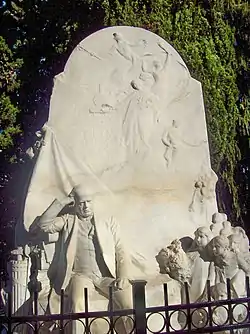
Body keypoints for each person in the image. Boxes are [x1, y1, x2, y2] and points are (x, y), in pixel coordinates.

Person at [29, 184, 133, 333]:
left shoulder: (108, 221)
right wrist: (63, 201)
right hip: (80, 276)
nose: (85, 206)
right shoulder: (68, 220)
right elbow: (43, 225)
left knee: (127, 301)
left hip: (105, 276)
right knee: (77, 303)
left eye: (89, 201)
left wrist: (123, 275)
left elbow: (120, 250)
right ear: (75, 204)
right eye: (81, 203)